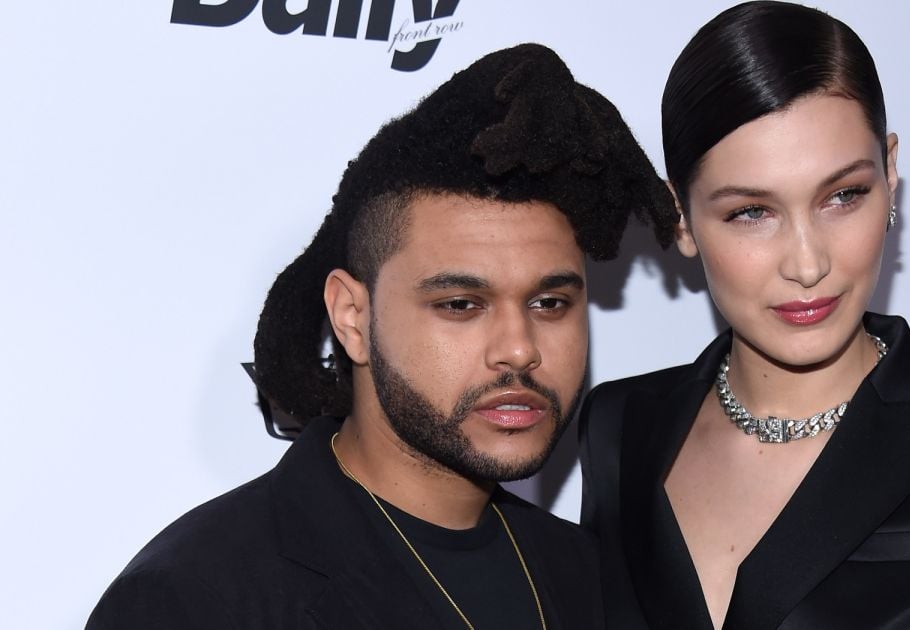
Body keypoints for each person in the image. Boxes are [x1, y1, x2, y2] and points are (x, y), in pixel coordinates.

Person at [86, 43, 676, 629]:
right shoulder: (198, 599)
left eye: (549, 302)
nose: (519, 348)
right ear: (352, 319)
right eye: (460, 304)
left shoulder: (587, 575)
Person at [578, 3, 910, 629]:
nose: (807, 263)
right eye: (751, 211)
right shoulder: (618, 430)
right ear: (682, 219)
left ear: (891, 175)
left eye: (842, 196)